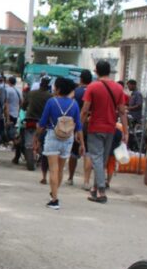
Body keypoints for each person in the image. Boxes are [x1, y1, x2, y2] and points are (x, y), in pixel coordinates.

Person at [80, 60, 128, 204]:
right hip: (111, 128)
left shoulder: (92, 87)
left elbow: (85, 110)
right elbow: (123, 111)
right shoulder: (119, 88)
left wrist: (79, 127)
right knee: (102, 160)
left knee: (96, 158)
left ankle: (101, 191)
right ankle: (95, 189)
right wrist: (125, 131)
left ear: (96, 71)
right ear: (109, 71)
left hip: (95, 127)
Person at [34, 77, 84, 210]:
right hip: (68, 138)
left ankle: (55, 199)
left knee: (53, 169)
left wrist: (37, 136)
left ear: (59, 88)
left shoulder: (51, 101)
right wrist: (82, 144)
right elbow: (78, 125)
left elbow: (43, 122)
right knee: (60, 169)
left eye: (55, 86)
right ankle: (54, 192)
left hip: (52, 136)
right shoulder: (74, 104)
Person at [20, 76, 52, 175]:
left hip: (30, 120)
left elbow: (23, 106)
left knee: (25, 140)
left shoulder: (31, 93)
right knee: (44, 142)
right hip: (43, 123)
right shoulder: (50, 96)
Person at [70, 69, 93, 188]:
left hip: (77, 124)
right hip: (90, 125)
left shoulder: (76, 92)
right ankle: (86, 182)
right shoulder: (94, 91)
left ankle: (70, 178)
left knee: (73, 153)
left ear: (81, 79)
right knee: (88, 153)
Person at [3, 76, 22, 145]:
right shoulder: (19, 90)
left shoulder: (7, 90)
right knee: (13, 130)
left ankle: (15, 142)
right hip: (16, 113)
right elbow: (21, 102)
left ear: (8, 82)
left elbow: (6, 104)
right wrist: (18, 111)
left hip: (9, 113)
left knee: (9, 131)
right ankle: (15, 143)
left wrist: (7, 118)